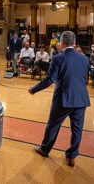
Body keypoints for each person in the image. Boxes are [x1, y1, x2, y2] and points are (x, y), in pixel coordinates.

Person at [28, 31, 90, 167]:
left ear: (62, 42)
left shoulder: (58, 58)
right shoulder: (84, 58)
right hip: (81, 99)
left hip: (63, 99)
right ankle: (72, 156)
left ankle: (44, 149)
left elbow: (50, 79)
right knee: (77, 129)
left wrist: (34, 89)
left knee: (53, 126)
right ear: (74, 43)